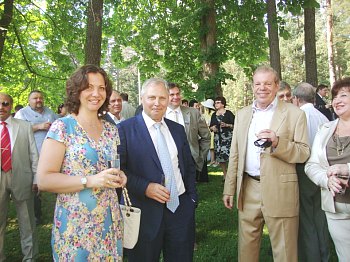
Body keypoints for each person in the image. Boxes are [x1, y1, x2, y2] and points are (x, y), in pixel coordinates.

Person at [36, 65, 127, 261]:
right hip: (75, 226)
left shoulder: (111, 130)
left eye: (101, 88)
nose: (96, 93)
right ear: (76, 91)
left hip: (109, 222)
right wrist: (90, 181)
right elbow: (44, 179)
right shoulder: (63, 127)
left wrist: (119, 175)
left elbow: (110, 166)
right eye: (89, 87)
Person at [223, 66, 310, 262]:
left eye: (268, 83)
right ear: (253, 86)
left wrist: (278, 142)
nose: (262, 88)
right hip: (248, 187)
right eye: (258, 84)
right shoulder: (242, 114)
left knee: (285, 252)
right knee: (246, 251)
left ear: (276, 85)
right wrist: (229, 188)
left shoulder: (295, 114)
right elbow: (235, 154)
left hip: (281, 190)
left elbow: (303, 152)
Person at [117, 78, 197, 262]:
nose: (157, 103)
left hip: (180, 211)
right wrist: (145, 187)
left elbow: (188, 166)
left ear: (168, 99)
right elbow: (118, 170)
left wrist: (191, 200)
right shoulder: (124, 130)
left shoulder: (177, 129)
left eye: (162, 98)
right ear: (142, 98)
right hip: (144, 213)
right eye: (152, 97)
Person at [305, 77, 350, 261]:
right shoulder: (325, 129)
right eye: (334, 96)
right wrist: (326, 179)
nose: (337, 100)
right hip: (336, 209)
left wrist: (346, 168)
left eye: (344, 95)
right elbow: (311, 165)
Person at [292, 82, 330, 262]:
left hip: (305, 170)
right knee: (320, 218)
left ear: (296, 99)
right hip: (323, 171)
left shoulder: (299, 116)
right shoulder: (323, 117)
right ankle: (324, 255)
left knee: (306, 219)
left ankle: (311, 257)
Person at [0, 93, 39, 261]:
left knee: (27, 221)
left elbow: (33, 154)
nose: (1, 106)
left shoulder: (24, 126)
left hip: (22, 178)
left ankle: (29, 256)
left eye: (5, 103)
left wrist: (37, 178)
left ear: (11, 105)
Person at [15, 90, 58, 225]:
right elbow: (17, 131)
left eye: (40, 98)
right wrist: (38, 126)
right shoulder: (22, 113)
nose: (38, 100)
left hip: (51, 156)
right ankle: (36, 216)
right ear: (29, 100)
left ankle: (61, 211)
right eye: (35, 98)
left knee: (56, 183)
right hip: (30, 156)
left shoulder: (50, 113)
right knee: (33, 186)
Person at [166, 83, 210, 183]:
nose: (176, 97)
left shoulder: (193, 113)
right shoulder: (159, 114)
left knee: (190, 195)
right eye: (172, 95)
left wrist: (200, 158)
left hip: (189, 162)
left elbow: (206, 137)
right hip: (166, 162)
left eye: (178, 94)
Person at [209, 96, 234, 181]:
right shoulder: (213, 115)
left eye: (218, 102)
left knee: (230, 157)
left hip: (228, 139)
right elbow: (211, 126)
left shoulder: (229, 113)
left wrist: (227, 125)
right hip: (218, 139)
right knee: (220, 157)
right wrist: (213, 128)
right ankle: (225, 174)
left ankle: (232, 174)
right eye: (215, 103)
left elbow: (236, 125)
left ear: (223, 104)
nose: (216, 104)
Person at [201, 99, 217, 166]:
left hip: (212, 132)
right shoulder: (205, 114)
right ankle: (211, 160)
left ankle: (213, 160)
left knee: (212, 147)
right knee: (210, 147)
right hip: (207, 132)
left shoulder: (213, 114)